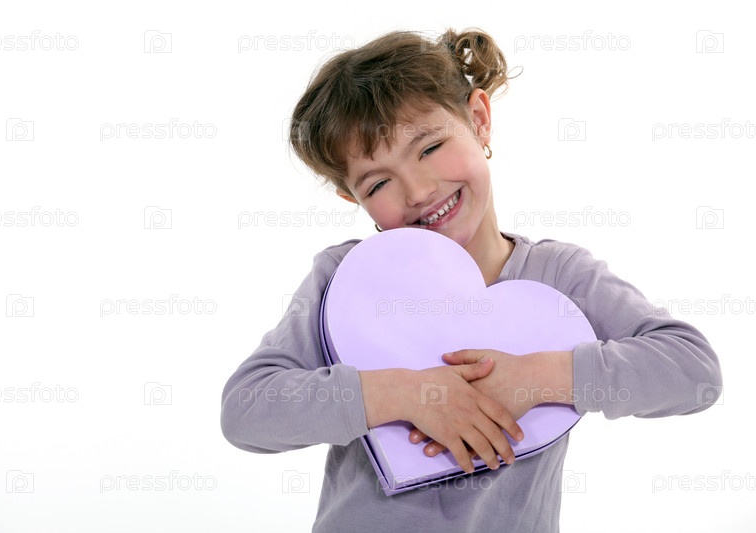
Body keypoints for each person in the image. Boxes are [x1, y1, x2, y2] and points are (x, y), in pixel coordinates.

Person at [221, 28, 723, 531]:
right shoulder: (345, 279)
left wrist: (535, 379)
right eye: (378, 183)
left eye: (430, 147)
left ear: (479, 120)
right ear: (354, 199)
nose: (418, 191)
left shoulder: (560, 277)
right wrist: (403, 393)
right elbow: (246, 408)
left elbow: (693, 369)